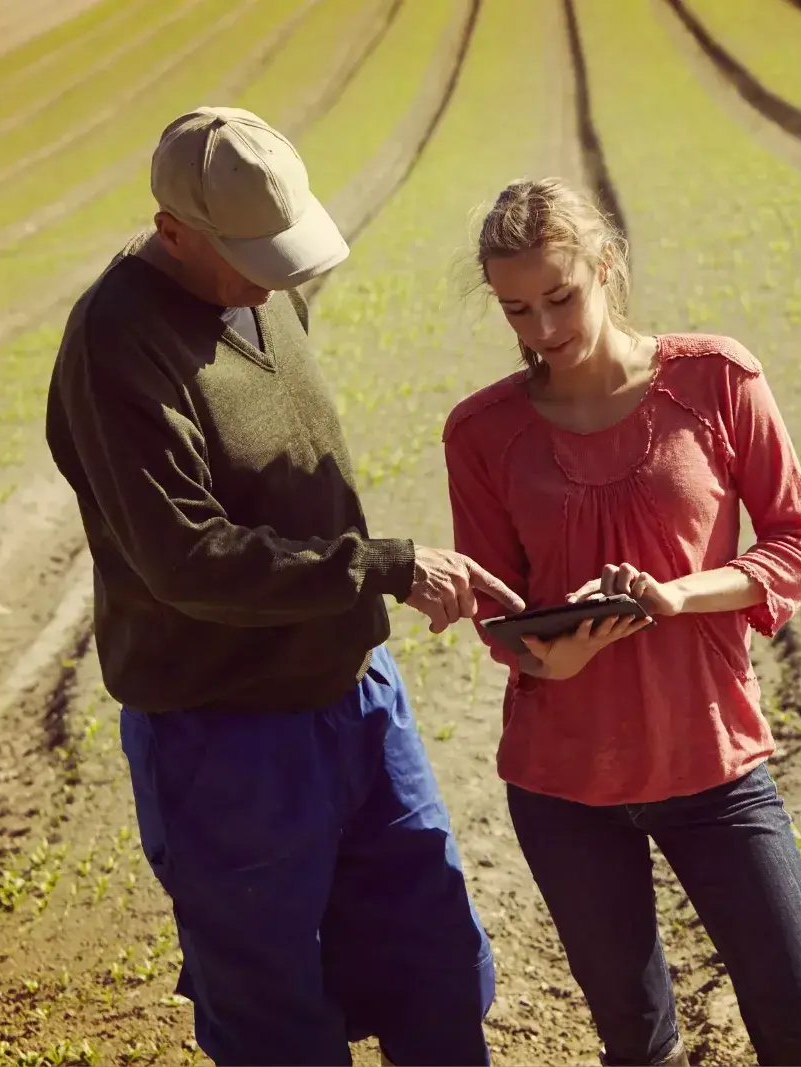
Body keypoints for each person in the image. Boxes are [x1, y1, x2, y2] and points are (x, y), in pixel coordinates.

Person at [43, 106, 522, 1067]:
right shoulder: (117, 343)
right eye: (255, 253)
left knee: (435, 964)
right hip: (227, 736)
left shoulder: (264, 285)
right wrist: (384, 566)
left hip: (356, 697)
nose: (282, 272)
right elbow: (185, 557)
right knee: (277, 1017)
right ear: (173, 229)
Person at [442, 177, 801, 1066]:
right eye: (517, 310)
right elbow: (497, 607)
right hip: (561, 786)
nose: (544, 330)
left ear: (607, 265)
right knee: (639, 1045)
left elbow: (794, 546)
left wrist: (674, 594)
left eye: (561, 297)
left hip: (714, 765)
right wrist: (554, 660)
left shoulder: (717, 378)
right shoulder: (480, 432)